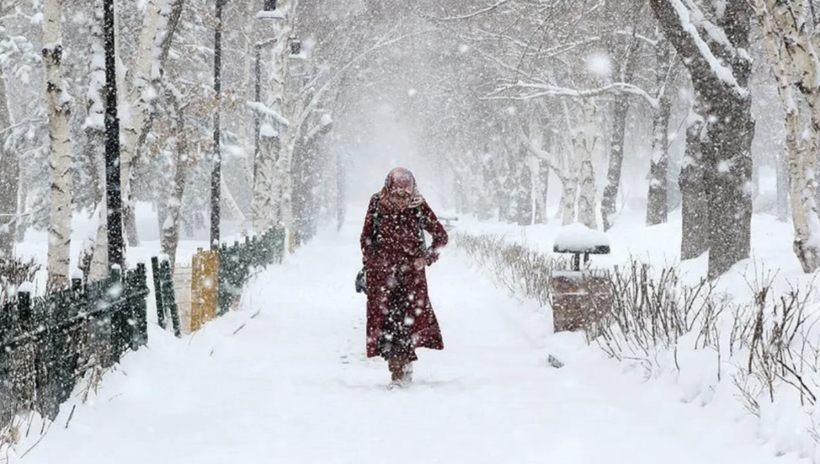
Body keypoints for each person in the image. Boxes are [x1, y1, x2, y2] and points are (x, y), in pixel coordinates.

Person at [359, 167, 449, 387]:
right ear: (389, 189)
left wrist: (426, 259)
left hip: (411, 280)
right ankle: (398, 369)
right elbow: (366, 237)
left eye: (405, 196)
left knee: (406, 324)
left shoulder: (418, 206)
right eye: (397, 195)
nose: (401, 201)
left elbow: (441, 236)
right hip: (382, 279)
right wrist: (373, 262)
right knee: (387, 325)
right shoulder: (377, 203)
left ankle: (401, 371)